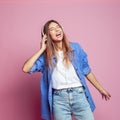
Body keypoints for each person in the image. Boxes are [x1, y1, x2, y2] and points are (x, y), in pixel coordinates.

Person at [22, 20, 111, 120]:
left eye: (58, 27)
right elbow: (26, 68)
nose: (56, 30)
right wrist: (42, 49)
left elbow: (87, 71)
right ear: (47, 36)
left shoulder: (76, 48)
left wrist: (101, 89)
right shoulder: (46, 57)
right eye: (52, 29)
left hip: (79, 95)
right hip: (59, 100)